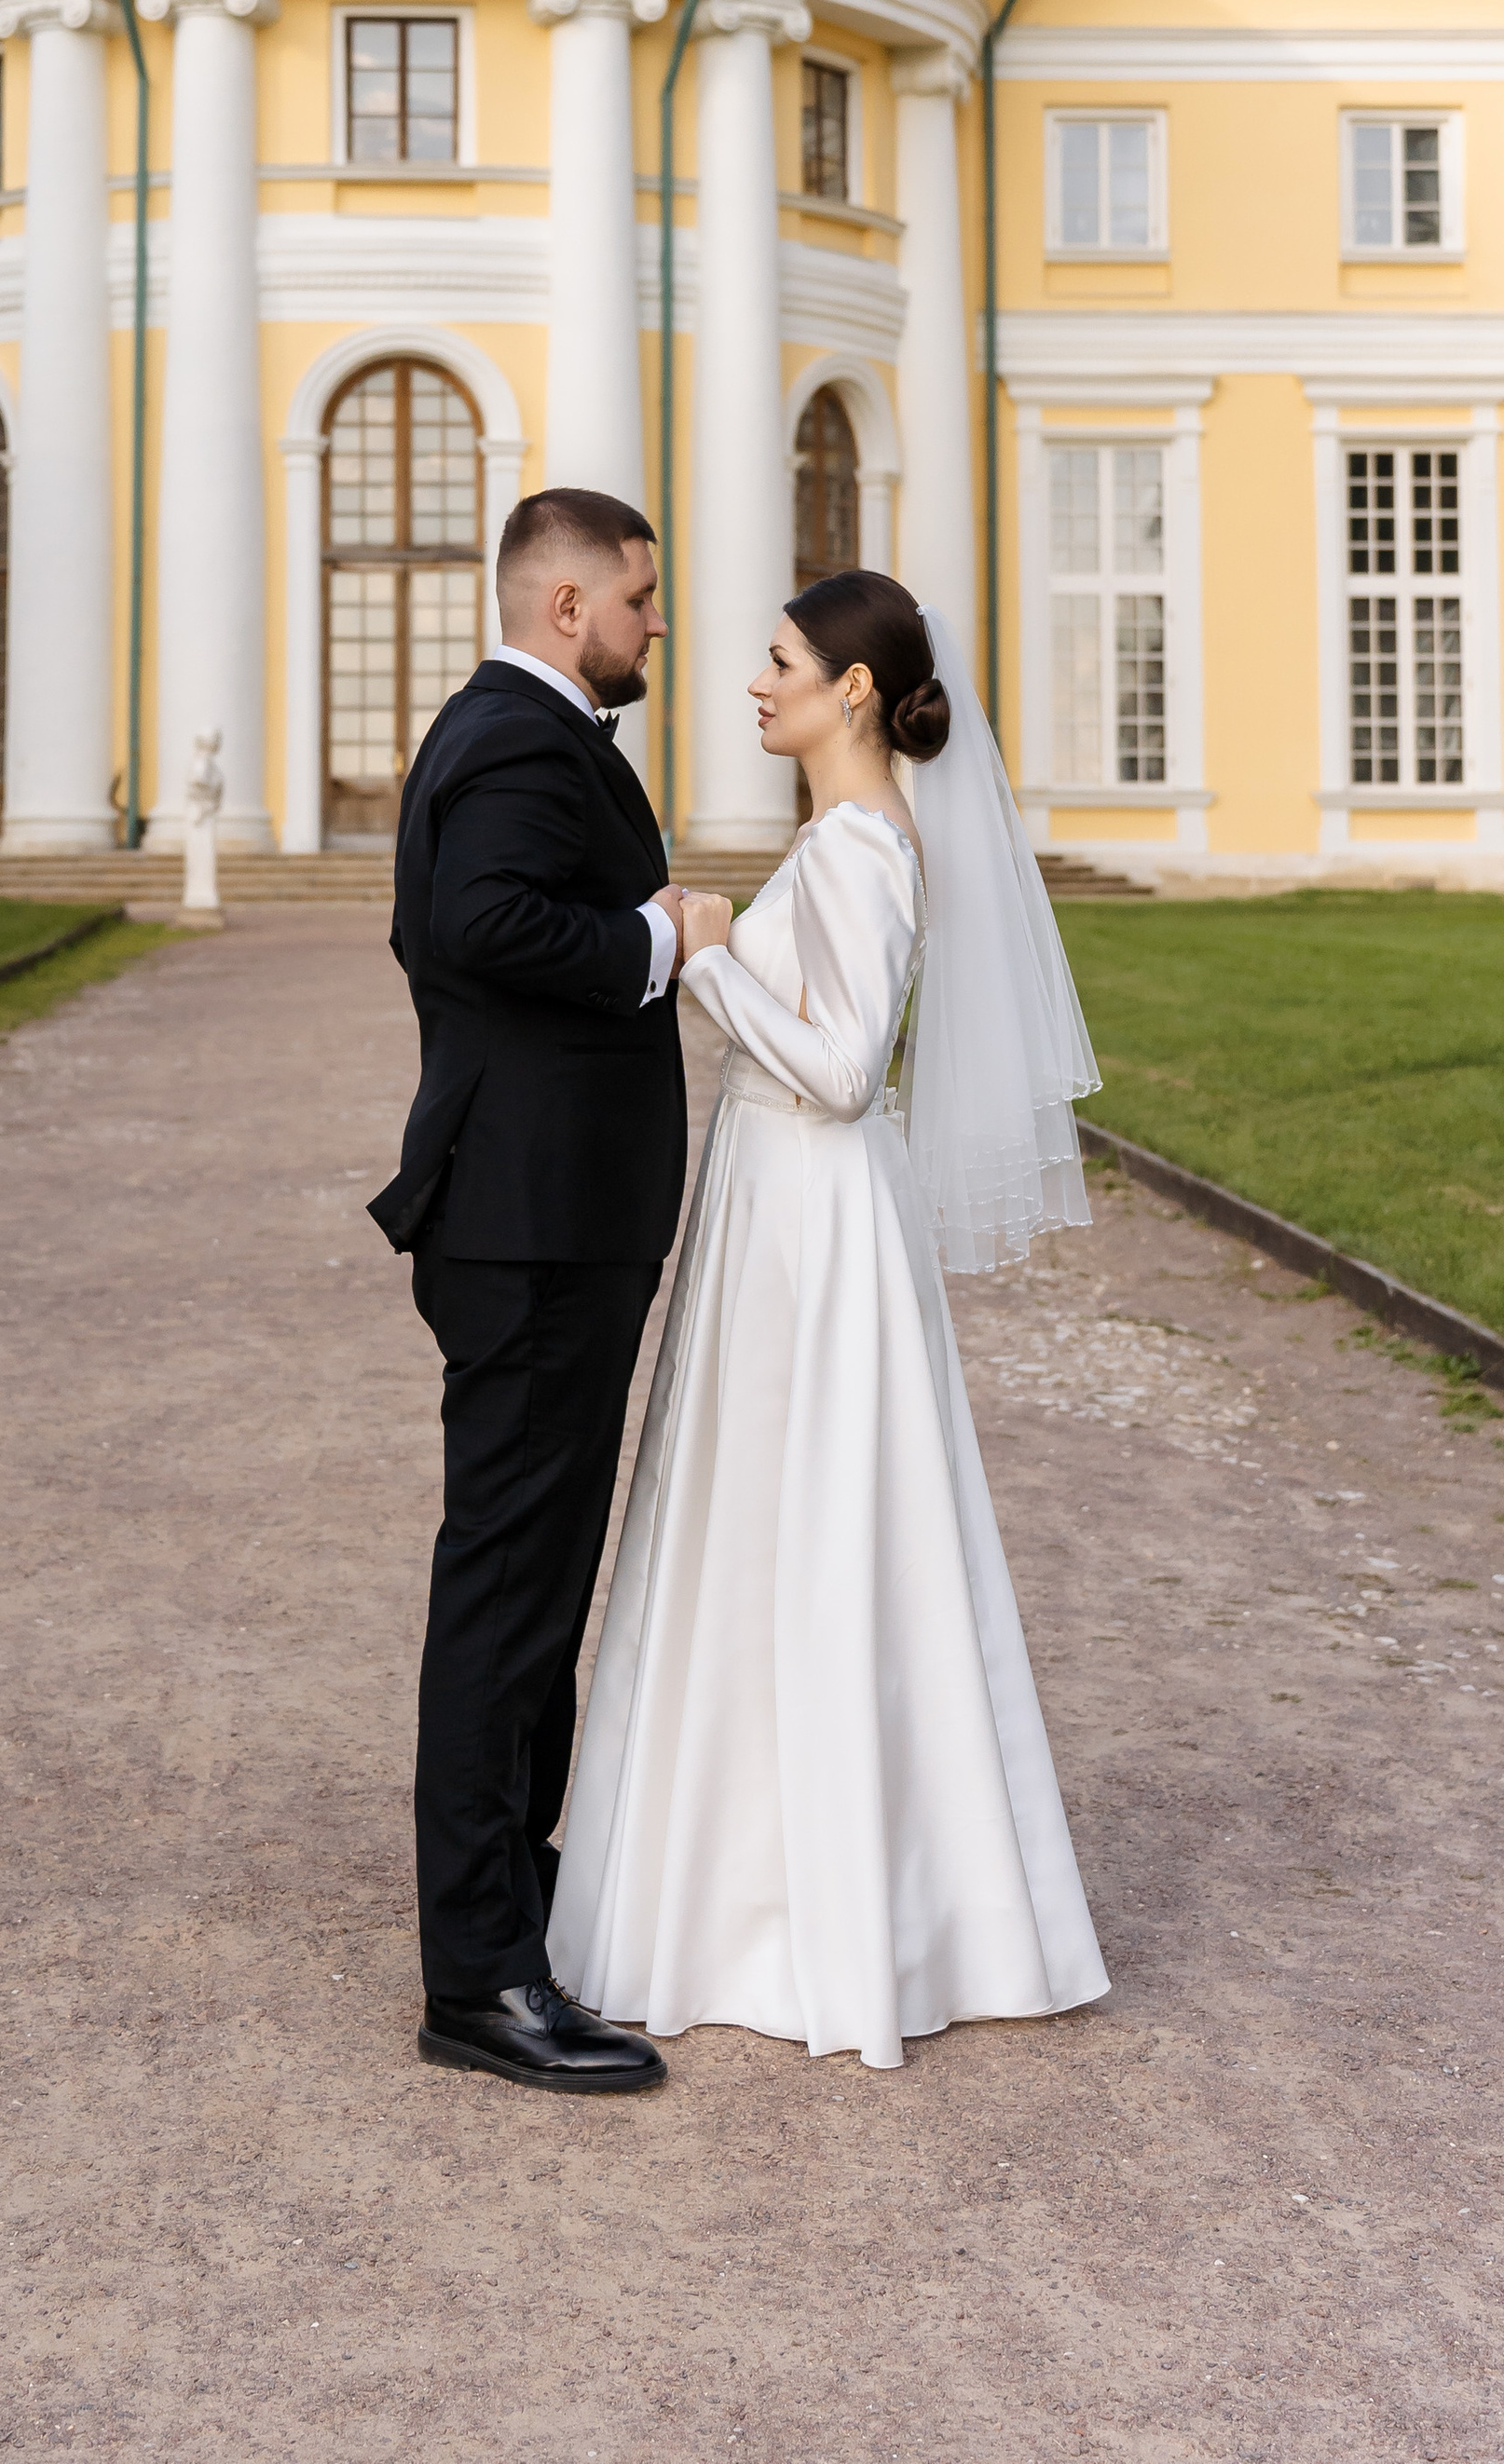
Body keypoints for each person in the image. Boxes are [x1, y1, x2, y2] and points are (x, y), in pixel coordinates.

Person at [549, 569, 1111, 2069]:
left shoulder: (862, 846)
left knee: (796, 1529)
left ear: (852, 689)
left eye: (782, 661)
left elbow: (847, 1067)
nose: (755, 683)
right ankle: (748, 1885)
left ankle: (800, 1912)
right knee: (759, 1526)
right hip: (782, 1207)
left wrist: (711, 952)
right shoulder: (846, 835)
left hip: (810, 1208)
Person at [370, 488, 690, 2095]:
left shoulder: (521, 731)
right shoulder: (514, 733)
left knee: (535, 1582)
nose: (654, 627)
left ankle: (521, 1904)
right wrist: (655, 939)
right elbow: (471, 921)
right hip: (530, 1226)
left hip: (552, 1220)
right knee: (506, 1589)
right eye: (640, 600)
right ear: (567, 606)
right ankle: (477, 1976)